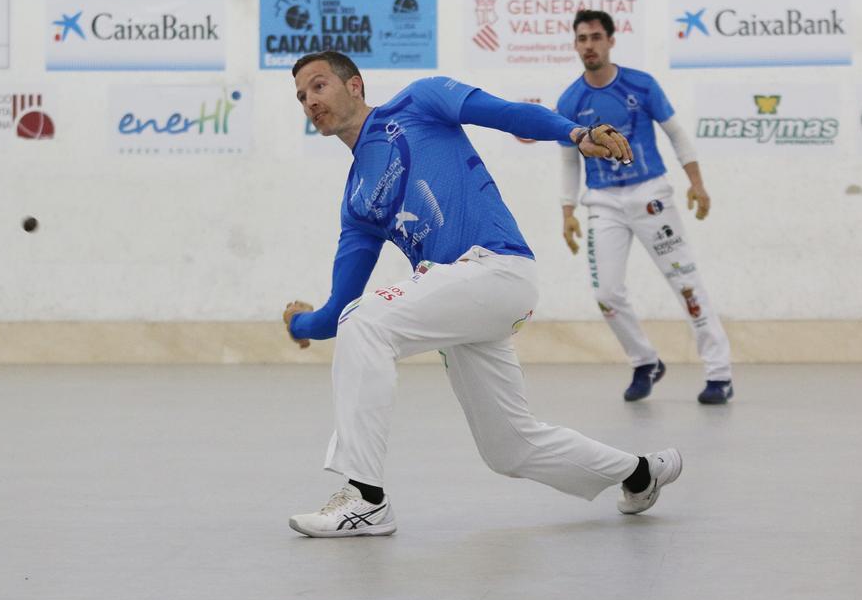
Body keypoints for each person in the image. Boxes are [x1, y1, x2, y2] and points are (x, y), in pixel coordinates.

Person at [282, 51, 683, 538]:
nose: (310, 100)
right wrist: (299, 324)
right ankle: (641, 472)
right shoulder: (357, 200)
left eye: (318, 86)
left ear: (355, 86)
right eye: (301, 96)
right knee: (509, 448)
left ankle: (365, 497)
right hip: (461, 301)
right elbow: (334, 314)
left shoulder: (420, 101)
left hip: (497, 269)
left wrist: (576, 133)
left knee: (366, 323)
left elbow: (507, 112)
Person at [557, 10, 734, 404]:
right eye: (582, 38)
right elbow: (569, 159)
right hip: (602, 201)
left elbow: (676, 135)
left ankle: (720, 373)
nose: (589, 45)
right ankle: (645, 362)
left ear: (611, 40)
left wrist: (697, 183)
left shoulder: (641, 84)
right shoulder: (570, 100)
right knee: (606, 292)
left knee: (685, 282)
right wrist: (568, 210)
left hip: (651, 195)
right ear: (575, 44)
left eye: (596, 37)